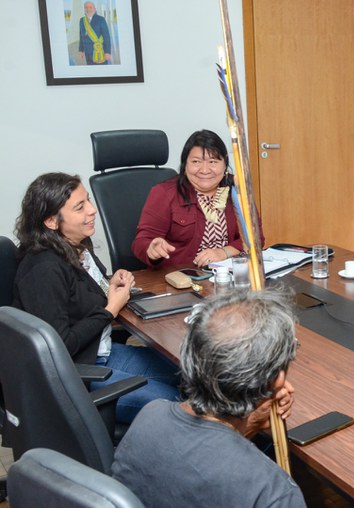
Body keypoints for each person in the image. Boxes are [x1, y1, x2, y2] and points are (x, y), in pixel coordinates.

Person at [112, 290, 305, 508]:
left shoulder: (150, 415)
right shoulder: (272, 491)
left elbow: (209, 455)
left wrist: (250, 424)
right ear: (276, 380)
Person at [13, 173, 179, 423]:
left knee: (189, 376)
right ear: (50, 221)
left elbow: (78, 294)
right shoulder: (44, 269)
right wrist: (110, 309)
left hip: (100, 352)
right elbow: (61, 344)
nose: (92, 211)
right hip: (73, 373)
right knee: (174, 403)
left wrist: (108, 284)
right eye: (80, 207)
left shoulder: (76, 245)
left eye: (88, 201)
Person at [132, 129, 263, 268]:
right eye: (196, 162)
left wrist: (223, 252)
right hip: (180, 277)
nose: (204, 170)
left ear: (225, 164)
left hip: (227, 274)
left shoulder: (237, 189)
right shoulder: (164, 193)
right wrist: (151, 249)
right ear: (185, 164)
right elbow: (141, 242)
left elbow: (256, 237)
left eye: (213, 162)